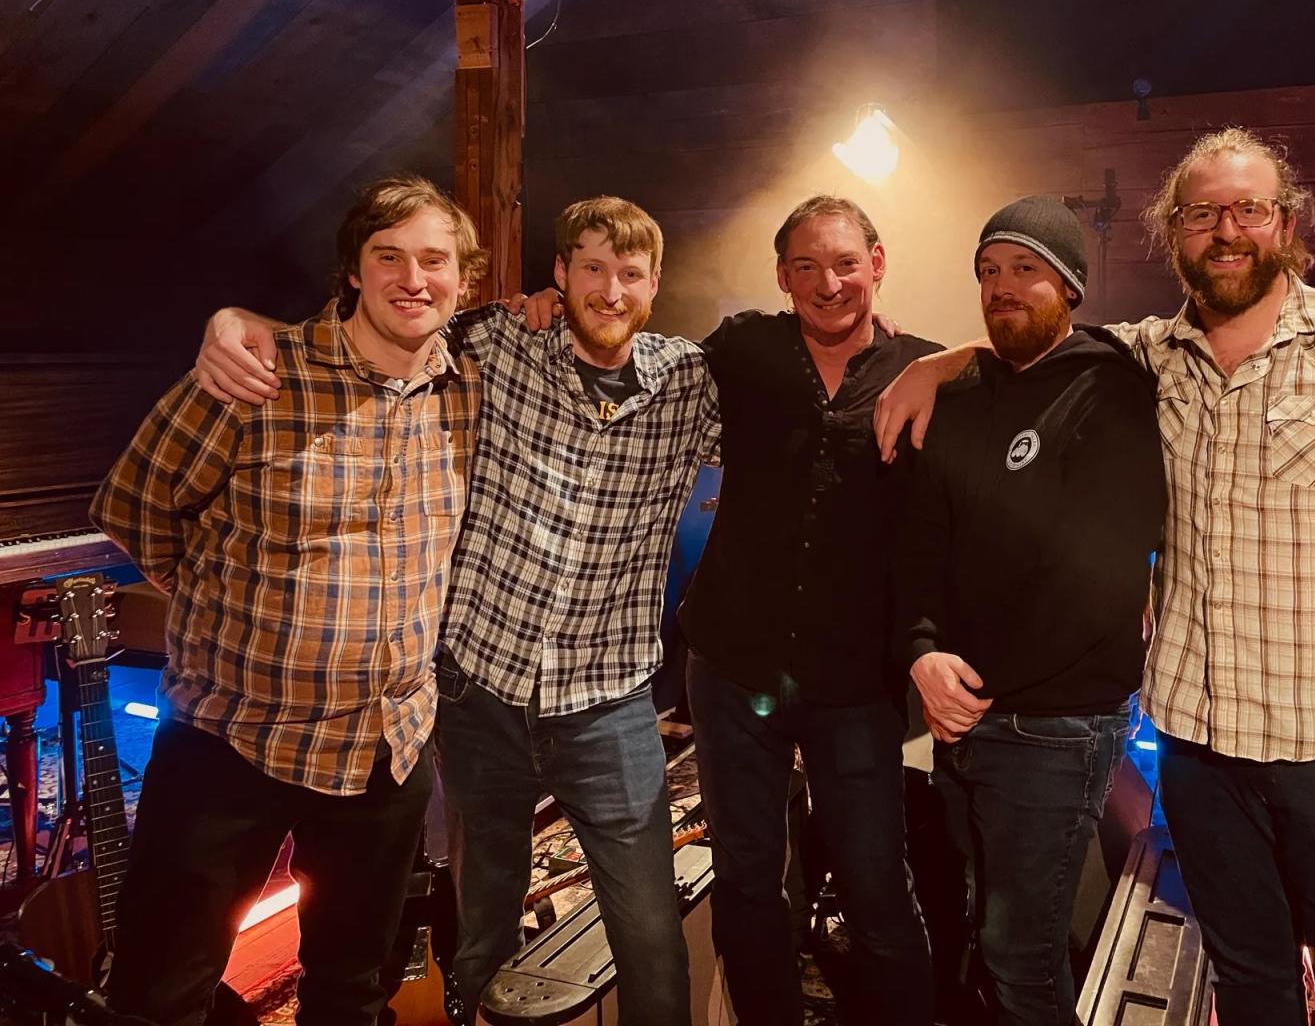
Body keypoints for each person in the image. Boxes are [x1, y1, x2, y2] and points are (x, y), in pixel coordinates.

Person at [875, 129, 1315, 1026]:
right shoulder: (1146, 358)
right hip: (1205, 753)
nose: (1226, 230)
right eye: (1201, 212)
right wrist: (932, 362)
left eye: (1248, 208)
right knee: (1246, 984)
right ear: (1172, 233)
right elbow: (1039, 337)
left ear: (1287, 223)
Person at [194, 196, 720, 1024]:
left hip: (609, 703)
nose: (609, 290)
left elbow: (794, 434)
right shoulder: (495, 341)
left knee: (650, 935)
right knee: (483, 925)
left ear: (656, 285)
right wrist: (238, 320)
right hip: (479, 695)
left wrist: (904, 363)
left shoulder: (691, 381)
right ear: (559, 273)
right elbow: (378, 322)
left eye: (628, 274)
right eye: (590, 268)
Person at [513, 194, 938, 1026]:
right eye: (806, 266)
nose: (828, 283)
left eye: (846, 263)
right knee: (748, 879)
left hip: (858, 679)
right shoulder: (741, 348)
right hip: (734, 667)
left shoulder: (921, 369)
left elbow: (1032, 361)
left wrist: (950, 361)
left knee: (877, 884)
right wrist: (540, 307)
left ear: (878, 265)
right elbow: (628, 354)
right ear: (781, 276)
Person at [92, 175, 484, 1026]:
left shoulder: (471, 393)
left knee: (352, 992)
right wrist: (224, 605)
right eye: (388, 257)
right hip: (231, 741)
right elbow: (134, 506)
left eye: (433, 260)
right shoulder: (255, 376)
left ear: (465, 280)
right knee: (160, 993)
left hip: (384, 749)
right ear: (352, 272)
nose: (413, 279)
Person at [896, 196, 1165, 1025]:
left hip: (1055, 725)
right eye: (987, 272)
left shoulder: (1111, 393)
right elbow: (924, 544)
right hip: (965, 716)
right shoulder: (967, 398)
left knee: (1023, 954)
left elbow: (1099, 580)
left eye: (1025, 270)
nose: (1001, 288)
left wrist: (981, 683)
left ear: (1071, 286)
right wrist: (925, 653)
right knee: (985, 929)